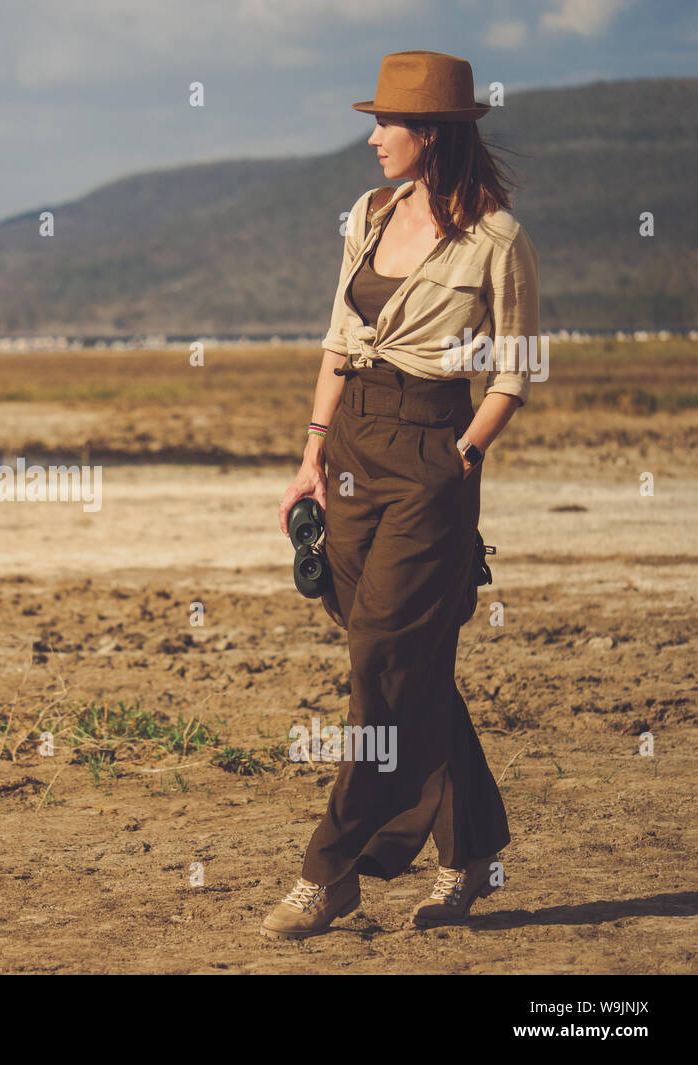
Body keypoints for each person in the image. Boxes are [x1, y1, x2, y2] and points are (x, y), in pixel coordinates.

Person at [268, 51, 540, 939]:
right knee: (404, 662)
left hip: (432, 450)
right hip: (350, 448)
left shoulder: (497, 238)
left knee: (381, 655)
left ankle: (331, 870)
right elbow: (339, 340)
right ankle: (470, 857)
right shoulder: (369, 214)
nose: (373, 136)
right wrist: (311, 454)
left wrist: (461, 454)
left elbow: (516, 370)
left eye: (388, 123)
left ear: (431, 134)